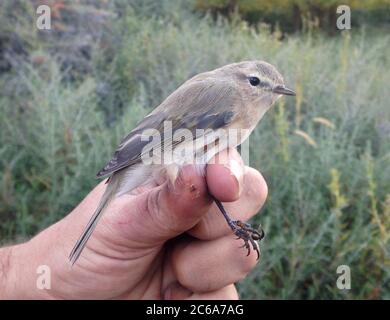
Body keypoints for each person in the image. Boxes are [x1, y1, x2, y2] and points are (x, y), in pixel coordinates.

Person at [0, 148, 267, 299]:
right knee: (197, 186)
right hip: (161, 158)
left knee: (204, 187)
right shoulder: (230, 97)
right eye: (256, 82)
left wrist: (20, 277)